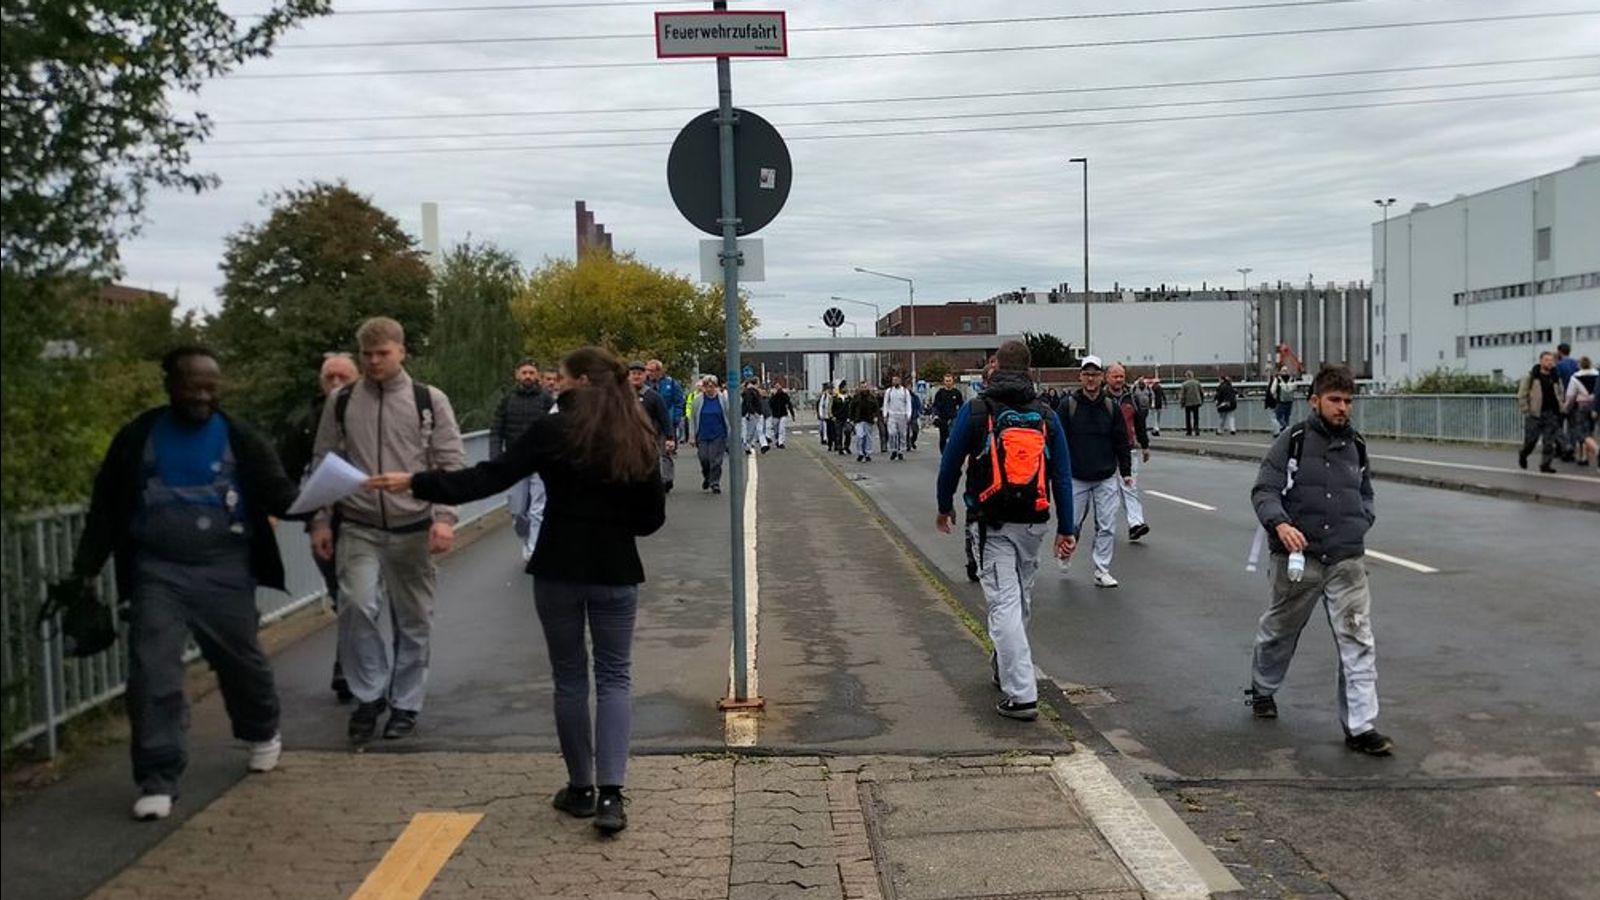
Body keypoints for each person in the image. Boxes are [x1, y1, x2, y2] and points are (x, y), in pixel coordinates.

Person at [368, 347, 666, 835]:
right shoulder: (635, 432)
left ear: (578, 382)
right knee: (615, 677)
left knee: (569, 678)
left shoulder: (552, 430)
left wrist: (417, 483)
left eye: (561, 378)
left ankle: (581, 789)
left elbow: (488, 477)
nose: (555, 385)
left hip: (557, 568)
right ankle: (613, 796)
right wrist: (614, 524)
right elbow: (651, 519)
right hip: (615, 571)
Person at [69, 347, 301, 820]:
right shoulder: (137, 437)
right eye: (193, 386)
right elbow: (106, 508)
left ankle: (261, 729)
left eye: (211, 387)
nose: (203, 396)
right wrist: (85, 569)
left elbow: (277, 492)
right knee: (152, 669)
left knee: (241, 661)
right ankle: (157, 777)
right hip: (158, 572)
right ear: (170, 385)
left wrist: (320, 501)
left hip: (226, 568)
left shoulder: (240, 436)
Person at [310, 317, 466, 744]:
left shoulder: (428, 400)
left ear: (401, 351)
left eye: (383, 353)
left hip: (413, 525)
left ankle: (406, 703)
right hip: (358, 525)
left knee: (413, 620)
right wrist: (320, 520)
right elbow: (324, 462)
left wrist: (444, 518)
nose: (375, 361)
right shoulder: (342, 401)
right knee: (356, 607)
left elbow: (450, 463)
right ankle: (369, 694)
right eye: (368, 354)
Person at [1247, 364, 1391, 757]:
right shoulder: (1292, 440)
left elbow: (1366, 494)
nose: (1343, 408)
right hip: (1298, 559)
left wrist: (1360, 522)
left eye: (1348, 401)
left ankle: (1361, 727)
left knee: (1357, 639)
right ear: (1315, 401)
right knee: (1280, 631)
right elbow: (1264, 489)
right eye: (1335, 400)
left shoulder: (1357, 444)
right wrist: (1280, 524)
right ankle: (1262, 688)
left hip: (1346, 560)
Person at [936, 340, 1075, 721]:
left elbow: (950, 464)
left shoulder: (977, 410)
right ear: (1029, 369)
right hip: (1033, 522)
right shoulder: (1046, 413)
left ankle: (1022, 693)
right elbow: (1062, 475)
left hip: (990, 521)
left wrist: (944, 506)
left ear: (995, 367)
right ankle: (1006, 668)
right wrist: (1067, 527)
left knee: (1004, 604)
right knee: (1020, 600)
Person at [277, 352, 360, 701]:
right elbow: (284, 472)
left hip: (369, 519)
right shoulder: (307, 423)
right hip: (325, 521)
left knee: (358, 594)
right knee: (343, 594)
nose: (336, 384)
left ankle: (349, 665)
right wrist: (287, 513)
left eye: (343, 377)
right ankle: (355, 661)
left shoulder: (370, 413)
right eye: (330, 377)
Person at [1055, 356, 1133, 588]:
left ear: (1101, 377)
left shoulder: (1111, 407)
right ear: (1080, 377)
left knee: (1106, 525)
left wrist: (1126, 471)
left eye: (1095, 374)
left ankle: (1102, 569)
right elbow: (1057, 440)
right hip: (1076, 475)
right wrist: (1056, 470)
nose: (1091, 379)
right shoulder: (1068, 406)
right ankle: (1065, 552)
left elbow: (1121, 440)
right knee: (1072, 523)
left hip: (1105, 475)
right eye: (1087, 374)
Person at [491, 359, 555, 561]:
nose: (528, 376)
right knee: (518, 509)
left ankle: (534, 549)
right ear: (517, 375)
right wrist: (496, 458)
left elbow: (557, 428)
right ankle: (526, 538)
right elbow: (496, 430)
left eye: (531, 372)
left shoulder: (546, 400)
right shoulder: (507, 400)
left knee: (538, 508)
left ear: (537, 375)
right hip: (515, 461)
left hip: (541, 461)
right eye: (524, 372)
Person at [1106, 363, 1152, 542]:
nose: (1118, 380)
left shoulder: (1131, 398)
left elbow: (1139, 423)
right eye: (1115, 376)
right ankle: (1105, 526)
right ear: (1107, 377)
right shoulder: (1101, 399)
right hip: (1106, 451)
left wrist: (1145, 445)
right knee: (1109, 492)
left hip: (1128, 449)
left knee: (1130, 487)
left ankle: (1136, 524)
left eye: (1121, 376)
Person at [629, 361, 675, 492]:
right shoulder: (621, 395)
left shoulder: (653, 396)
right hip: (628, 438)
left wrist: (669, 437)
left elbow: (664, 417)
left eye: (639, 374)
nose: (636, 376)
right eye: (633, 374)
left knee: (649, 465)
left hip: (649, 438)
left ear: (645, 376)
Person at [1517, 351, 1564, 473]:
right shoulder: (1531, 377)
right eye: (1547, 360)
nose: (1549, 363)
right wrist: (1525, 409)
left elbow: (1560, 392)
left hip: (1551, 413)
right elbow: (1522, 394)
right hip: (1535, 413)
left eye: (1551, 360)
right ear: (1541, 361)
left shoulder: (1555, 377)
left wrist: (1561, 406)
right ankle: (1523, 454)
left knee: (1549, 442)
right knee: (1531, 440)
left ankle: (1545, 465)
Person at [689, 376, 731, 493]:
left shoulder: (723, 400)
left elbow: (729, 416)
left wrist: (730, 433)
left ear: (716, 387)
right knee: (704, 458)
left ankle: (715, 483)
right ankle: (707, 476)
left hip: (718, 434)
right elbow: (692, 419)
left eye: (712, 386)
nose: (709, 389)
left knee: (715, 460)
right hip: (703, 434)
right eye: (706, 386)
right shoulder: (697, 401)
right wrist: (692, 436)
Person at [1564, 355, 1597, 467]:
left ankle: (1586, 455)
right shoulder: (1597, 375)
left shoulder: (1575, 377)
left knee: (1581, 432)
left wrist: (1566, 407)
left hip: (1582, 406)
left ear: (1579, 365)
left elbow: (1570, 395)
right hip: (1595, 406)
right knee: (1590, 431)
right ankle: (1586, 456)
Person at [645, 359, 687, 444]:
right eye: (647, 370)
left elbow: (679, 402)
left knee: (666, 448)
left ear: (659, 371)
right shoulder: (645, 384)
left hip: (667, 423)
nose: (648, 373)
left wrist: (675, 419)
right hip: (649, 423)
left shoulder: (671, 383)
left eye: (651, 371)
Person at [932, 374, 965, 453]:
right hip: (942, 418)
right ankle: (943, 452)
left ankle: (952, 453)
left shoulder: (957, 393)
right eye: (946, 381)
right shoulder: (940, 393)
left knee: (953, 436)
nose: (948, 383)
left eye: (950, 381)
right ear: (944, 382)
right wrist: (935, 415)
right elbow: (935, 406)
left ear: (953, 381)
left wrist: (960, 416)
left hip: (953, 418)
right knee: (943, 437)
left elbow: (961, 405)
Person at [883, 374, 913, 461]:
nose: (895, 382)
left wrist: (908, 414)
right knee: (892, 433)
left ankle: (901, 451)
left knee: (902, 434)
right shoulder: (889, 391)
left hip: (902, 415)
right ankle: (893, 449)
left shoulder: (905, 391)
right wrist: (885, 414)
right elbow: (886, 403)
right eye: (893, 380)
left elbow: (908, 403)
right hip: (892, 415)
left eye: (896, 380)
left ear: (900, 381)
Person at [850, 381, 881, 462]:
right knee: (860, 436)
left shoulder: (872, 397)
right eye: (862, 387)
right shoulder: (856, 397)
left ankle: (867, 453)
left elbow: (876, 408)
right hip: (859, 420)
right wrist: (851, 418)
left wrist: (876, 416)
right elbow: (852, 408)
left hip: (868, 419)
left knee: (868, 437)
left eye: (865, 387)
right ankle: (860, 452)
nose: (864, 389)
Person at [739, 380, 767, 455]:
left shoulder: (749, 392)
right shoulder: (751, 392)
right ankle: (748, 445)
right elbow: (749, 403)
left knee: (751, 431)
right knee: (751, 431)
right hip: (751, 414)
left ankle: (748, 446)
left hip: (750, 414)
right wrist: (754, 412)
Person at [1269, 368, 1297, 435]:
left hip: (1280, 401)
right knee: (1287, 417)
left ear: (1281, 371)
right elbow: (1295, 388)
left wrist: (1275, 396)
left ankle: (1285, 427)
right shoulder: (1292, 379)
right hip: (1289, 401)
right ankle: (1287, 433)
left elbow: (1272, 390)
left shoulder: (1278, 379)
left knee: (1278, 417)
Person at [767, 380, 793, 449]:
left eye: (778, 386)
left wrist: (792, 413)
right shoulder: (773, 396)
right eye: (776, 386)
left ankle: (781, 442)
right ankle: (777, 440)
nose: (777, 387)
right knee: (776, 428)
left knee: (782, 428)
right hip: (775, 414)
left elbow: (789, 403)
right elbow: (770, 403)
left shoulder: (784, 395)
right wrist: (774, 395)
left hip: (783, 413)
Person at [831, 380, 852, 456]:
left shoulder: (848, 397)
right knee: (839, 434)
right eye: (844, 388)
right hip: (838, 418)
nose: (845, 389)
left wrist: (851, 417)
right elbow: (832, 408)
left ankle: (846, 446)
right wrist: (833, 416)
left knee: (848, 431)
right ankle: (840, 448)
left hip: (846, 418)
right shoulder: (836, 398)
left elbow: (851, 407)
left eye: (846, 387)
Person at [1179, 370, 1204, 436]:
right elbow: (1201, 392)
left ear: (1187, 376)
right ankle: (1196, 429)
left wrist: (1182, 403)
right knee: (1196, 416)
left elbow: (1182, 395)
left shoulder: (1184, 384)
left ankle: (1189, 431)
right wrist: (1201, 400)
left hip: (1188, 402)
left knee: (1188, 417)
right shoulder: (1197, 383)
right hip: (1196, 402)